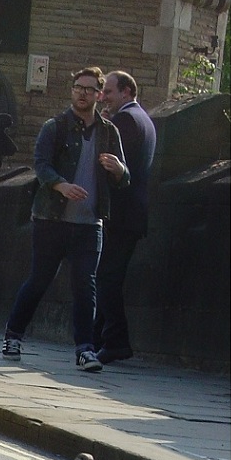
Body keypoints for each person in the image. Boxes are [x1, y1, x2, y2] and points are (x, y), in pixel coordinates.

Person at [1, 67, 129, 372]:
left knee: (86, 286)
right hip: (51, 219)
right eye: (77, 88)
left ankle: (85, 350)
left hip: (90, 223)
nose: (81, 93)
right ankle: (13, 335)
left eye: (88, 89)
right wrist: (61, 185)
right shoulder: (54, 127)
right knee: (39, 280)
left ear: (99, 95)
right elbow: (41, 165)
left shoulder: (109, 132)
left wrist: (118, 169)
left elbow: (125, 179)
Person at [93, 71, 156, 364]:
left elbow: (108, 167)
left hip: (121, 215)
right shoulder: (143, 118)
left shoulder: (125, 121)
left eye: (108, 91)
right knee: (107, 276)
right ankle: (96, 339)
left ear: (127, 91)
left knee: (106, 278)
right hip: (130, 215)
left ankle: (116, 341)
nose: (103, 97)